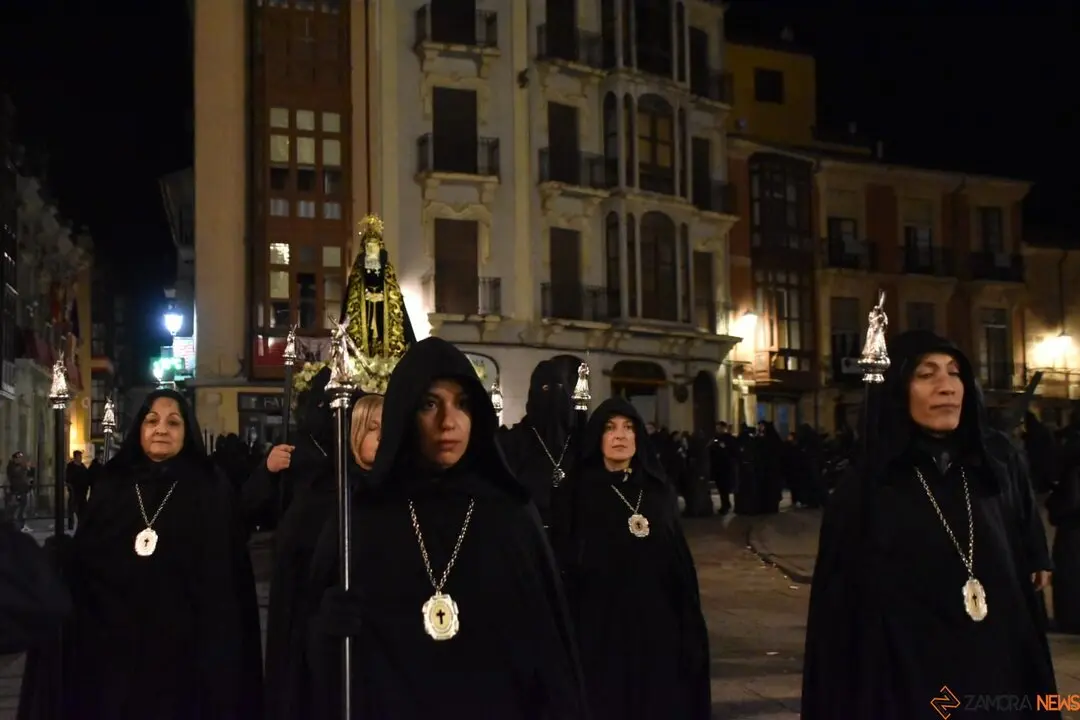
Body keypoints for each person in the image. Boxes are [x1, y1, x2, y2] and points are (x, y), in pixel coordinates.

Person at [310, 337, 587, 719]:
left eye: (462, 404)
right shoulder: (364, 515)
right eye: (429, 404)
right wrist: (326, 626)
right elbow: (318, 664)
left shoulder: (508, 513)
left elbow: (546, 651)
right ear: (406, 413)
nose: (448, 422)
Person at [802, 330, 1058, 719]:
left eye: (955, 374)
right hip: (910, 677)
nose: (946, 387)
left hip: (994, 666)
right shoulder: (869, 484)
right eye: (926, 375)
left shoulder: (991, 464)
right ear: (899, 390)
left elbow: (1019, 515)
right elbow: (841, 614)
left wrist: (1037, 554)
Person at [20, 388, 263, 719]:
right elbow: (92, 556)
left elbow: (225, 570)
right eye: (152, 420)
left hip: (185, 649)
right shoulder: (113, 483)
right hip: (116, 644)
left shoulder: (210, 486)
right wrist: (66, 557)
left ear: (186, 432)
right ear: (139, 430)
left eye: (173, 422)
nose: (161, 429)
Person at [555, 396, 710, 719]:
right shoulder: (578, 491)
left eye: (628, 428)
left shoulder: (657, 491)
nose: (620, 436)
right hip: (599, 628)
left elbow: (677, 560)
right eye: (610, 429)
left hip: (656, 626)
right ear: (598, 437)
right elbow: (564, 559)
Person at [497, 359, 582, 530]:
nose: (552, 397)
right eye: (544, 389)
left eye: (558, 389)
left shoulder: (579, 442)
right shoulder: (513, 443)